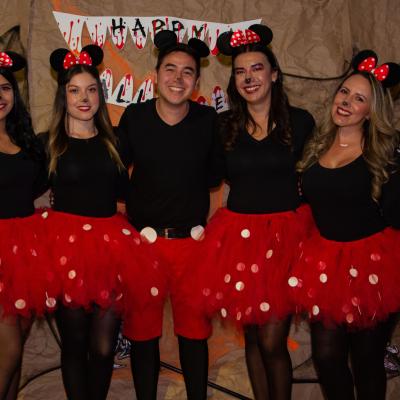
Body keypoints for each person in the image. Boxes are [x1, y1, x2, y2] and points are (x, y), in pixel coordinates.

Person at [196, 25, 315, 400]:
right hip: (240, 240)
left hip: (286, 240)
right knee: (252, 337)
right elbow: (211, 175)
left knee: (271, 341)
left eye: (257, 68)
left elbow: (317, 177)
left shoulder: (301, 122)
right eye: (240, 71)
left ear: (274, 74)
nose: (249, 78)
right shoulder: (224, 126)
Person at [44, 44, 162, 400]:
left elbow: (130, 190)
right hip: (65, 251)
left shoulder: (115, 142)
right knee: (75, 343)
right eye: (75, 90)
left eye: (92, 90)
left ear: (100, 94)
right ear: (63, 96)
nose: (84, 98)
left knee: (104, 346)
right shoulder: (48, 144)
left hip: (111, 249)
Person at [289, 50, 400, 400]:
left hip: (373, 265)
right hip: (326, 264)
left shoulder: (385, 153)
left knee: (367, 360)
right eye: (344, 92)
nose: (347, 102)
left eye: (359, 99)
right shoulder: (317, 144)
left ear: (372, 111)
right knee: (326, 358)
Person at [118, 30, 221, 400]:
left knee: (194, 334)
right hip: (143, 245)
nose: (178, 78)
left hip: (191, 244)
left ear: (197, 82)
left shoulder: (208, 120)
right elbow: (115, 170)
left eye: (187, 71)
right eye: (170, 69)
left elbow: (214, 176)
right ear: (156, 75)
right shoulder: (135, 117)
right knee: (143, 334)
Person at [0, 51, 50, 399]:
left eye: (4, 88)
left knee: (18, 338)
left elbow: (34, 185)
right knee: (10, 345)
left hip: (26, 247)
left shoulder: (26, 140)